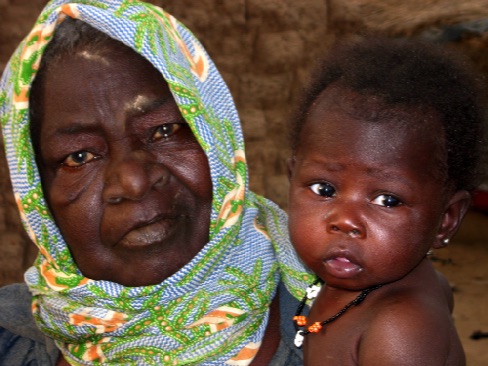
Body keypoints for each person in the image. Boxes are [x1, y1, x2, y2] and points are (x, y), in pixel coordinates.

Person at [0, 0, 312, 364]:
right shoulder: (10, 342)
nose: (133, 182)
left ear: (216, 136)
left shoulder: (353, 329)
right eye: (79, 157)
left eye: (165, 131)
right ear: (37, 197)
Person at [287, 37, 486, 365]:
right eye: (324, 189)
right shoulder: (397, 280)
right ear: (291, 178)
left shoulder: (399, 330)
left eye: (387, 200)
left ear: (446, 219)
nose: (345, 220)